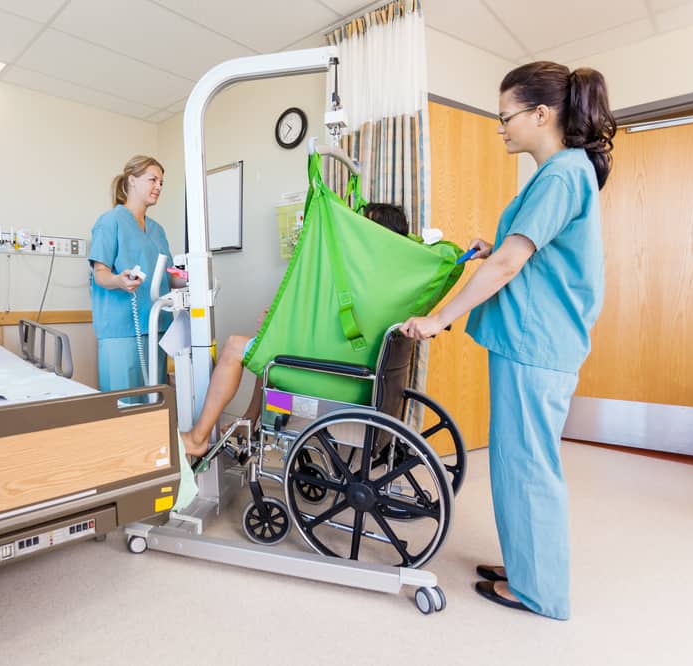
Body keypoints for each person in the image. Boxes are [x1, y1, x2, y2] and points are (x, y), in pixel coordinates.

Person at [400, 62, 615, 620]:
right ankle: (526, 565)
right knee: (518, 461)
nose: (501, 128)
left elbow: (508, 266)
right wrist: (492, 244)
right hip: (533, 342)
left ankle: (539, 590)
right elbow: (525, 251)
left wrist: (437, 318)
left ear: (541, 115)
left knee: (528, 466)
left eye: (505, 117)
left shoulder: (563, 174)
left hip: (536, 345)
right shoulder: (560, 174)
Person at [180, 202, 412, 457]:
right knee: (266, 349)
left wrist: (279, 327)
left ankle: (197, 438)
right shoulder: (392, 282)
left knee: (236, 346)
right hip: (361, 379)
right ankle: (250, 420)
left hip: (338, 382)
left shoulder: (361, 278)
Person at [89, 155, 185, 393]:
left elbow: (168, 276)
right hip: (121, 329)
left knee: (156, 405)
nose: (158, 187)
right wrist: (119, 281)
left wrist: (190, 277)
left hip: (156, 326)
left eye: (161, 182)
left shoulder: (157, 230)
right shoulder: (110, 222)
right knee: (124, 408)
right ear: (132, 180)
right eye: (153, 180)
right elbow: (100, 273)